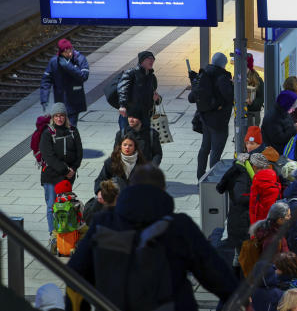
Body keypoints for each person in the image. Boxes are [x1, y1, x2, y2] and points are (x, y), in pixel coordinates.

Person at [68, 165, 238, 310]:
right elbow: (216, 273)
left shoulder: (103, 224)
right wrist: (239, 297)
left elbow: (75, 275)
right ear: (162, 190)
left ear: (129, 188)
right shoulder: (179, 227)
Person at [189, 52, 234, 180]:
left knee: (205, 148)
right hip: (219, 121)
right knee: (216, 151)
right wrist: (233, 85)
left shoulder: (203, 74)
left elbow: (192, 97)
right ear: (223, 64)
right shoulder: (222, 77)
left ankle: (201, 177)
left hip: (205, 119)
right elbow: (229, 96)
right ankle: (212, 180)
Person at [39, 103, 82, 236]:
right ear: (53, 117)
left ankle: (65, 232)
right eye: (57, 116)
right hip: (51, 176)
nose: (59, 118)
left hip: (67, 177)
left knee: (66, 206)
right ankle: (53, 233)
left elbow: (79, 153)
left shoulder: (73, 131)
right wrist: (66, 170)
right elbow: (49, 157)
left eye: (62, 115)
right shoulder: (47, 133)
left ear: (66, 117)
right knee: (52, 206)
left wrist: (73, 169)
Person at [39, 39, 89, 126]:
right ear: (61, 53)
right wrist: (44, 98)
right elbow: (46, 80)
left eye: (70, 50)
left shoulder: (80, 58)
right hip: (60, 100)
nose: (69, 54)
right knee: (60, 127)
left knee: (71, 127)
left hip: (74, 100)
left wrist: (68, 66)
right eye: (66, 52)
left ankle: (71, 138)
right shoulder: (54, 62)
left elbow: (84, 76)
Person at [117, 50, 159, 132]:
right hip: (130, 114)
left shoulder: (152, 77)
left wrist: (157, 99)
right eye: (149, 58)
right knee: (127, 138)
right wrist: (122, 105)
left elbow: (155, 94)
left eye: (153, 59)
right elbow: (122, 90)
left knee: (144, 140)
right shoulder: (131, 73)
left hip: (145, 115)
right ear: (142, 60)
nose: (152, 61)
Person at [249, 152, 282, 224]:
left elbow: (253, 209)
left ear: (254, 167)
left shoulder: (257, 181)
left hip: (261, 224)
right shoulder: (274, 177)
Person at [247, 54, 265, 127]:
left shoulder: (258, 80)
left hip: (253, 114)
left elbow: (261, 98)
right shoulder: (238, 77)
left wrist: (252, 103)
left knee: (252, 136)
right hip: (241, 113)